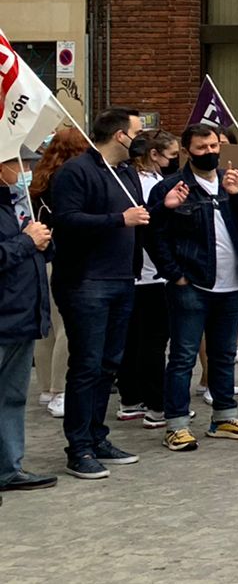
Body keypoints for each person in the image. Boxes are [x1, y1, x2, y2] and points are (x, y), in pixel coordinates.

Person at [47, 107, 150, 479]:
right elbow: (67, 221)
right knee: (87, 365)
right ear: (120, 135)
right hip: (86, 282)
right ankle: (79, 447)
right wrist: (118, 220)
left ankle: (97, 435)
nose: (143, 137)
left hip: (123, 279)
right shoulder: (76, 171)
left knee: (109, 365)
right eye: (138, 131)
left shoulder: (126, 174)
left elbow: (141, 219)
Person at [147, 124, 238, 451]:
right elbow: (154, 234)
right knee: (182, 356)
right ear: (186, 151)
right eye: (201, 148)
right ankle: (177, 424)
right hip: (191, 283)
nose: (210, 152)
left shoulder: (230, 181)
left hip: (232, 283)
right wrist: (174, 273)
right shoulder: (171, 187)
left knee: (223, 354)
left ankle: (224, 416)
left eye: (214, 146)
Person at [0, 143, 55, 493]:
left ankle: (8, 467)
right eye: (17, 163)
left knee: (13, 397)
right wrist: (24, 242)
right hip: (5, 314)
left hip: (21, 315)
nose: (26, 170)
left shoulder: (19, 204)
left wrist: (44, 243)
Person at [115, 128, 178, 427]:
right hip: (150, 272)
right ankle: (156, 404)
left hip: (132, 271)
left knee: (131, 340)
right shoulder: (152, 184)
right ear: (153, 154)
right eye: (172, 155)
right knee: (154, 341)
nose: (174, 161)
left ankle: (129, 399)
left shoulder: (124, 179)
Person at [29, 125, 88, 416]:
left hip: (41, 259)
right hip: (64, 255)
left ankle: (43, 388)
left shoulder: (40, 177)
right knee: (68, 325)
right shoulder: (71, 178)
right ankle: (59, 390)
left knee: (48, 327)